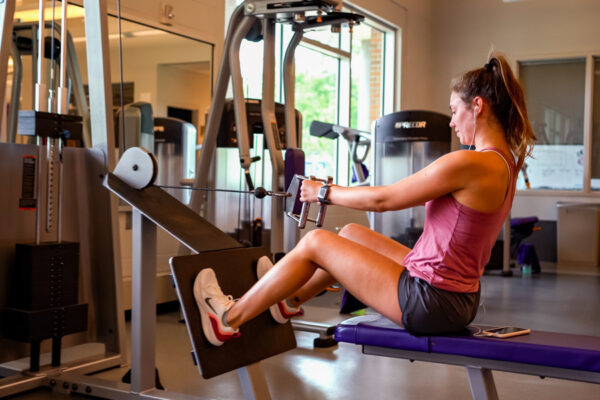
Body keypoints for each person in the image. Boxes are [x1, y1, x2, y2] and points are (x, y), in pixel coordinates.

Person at [194, 51, 537, 346]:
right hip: (458, 297)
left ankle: (227, 318)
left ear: (477, 106)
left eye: (454, 111)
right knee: (350, 235)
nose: (451, 123)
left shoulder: (471, 162)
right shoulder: (506, 162)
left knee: (315, 242)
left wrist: (323, 192)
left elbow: (384, 200)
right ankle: (288, 299)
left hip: (431, 301)